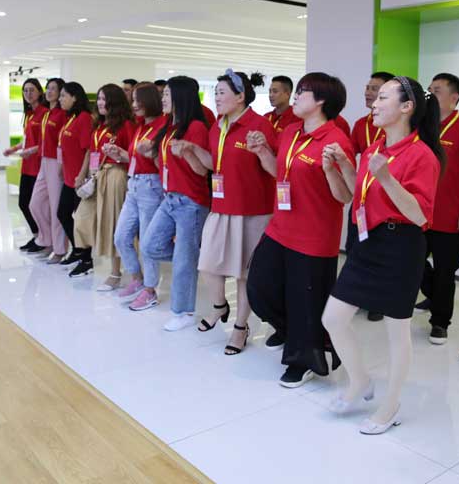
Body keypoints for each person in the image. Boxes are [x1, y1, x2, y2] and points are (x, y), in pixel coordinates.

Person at [323, 76, 444, 435]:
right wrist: (345, 166)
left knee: (397, 330)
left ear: (406, 107)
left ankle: (390, 406)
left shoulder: (422, 155)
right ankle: (360, 380)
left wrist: (388, 178)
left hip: (400, 246)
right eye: (375, 97)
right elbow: (356, 194)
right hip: (367, 242)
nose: (373, 104)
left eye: (383, 98)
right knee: (333, 318)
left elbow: (420, 215)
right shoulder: (376, 147)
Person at [246, 72, 354, 387]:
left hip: (314, 236)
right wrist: (262, 151)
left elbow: (346, 196)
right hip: (280, 227)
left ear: (321, 101)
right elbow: (279, 172)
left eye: (303, 91)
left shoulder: (336, 140)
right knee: (259, 288)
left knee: (304, 300)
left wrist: (330, 170)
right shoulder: (292, 131)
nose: (295, 95)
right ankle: (298, 333)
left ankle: (303, 358)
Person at [183, 70, 277, 354]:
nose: (217, 97)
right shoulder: (217, 126)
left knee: (244, 274)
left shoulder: (259, 125)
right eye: (216, 93)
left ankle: (240, 327)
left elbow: (274, 168)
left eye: (222, 92)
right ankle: (219, 305)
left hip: (252, 211)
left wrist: (262, 149)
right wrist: (192, 150)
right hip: (222, 207)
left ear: (240, 96)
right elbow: (215, 163)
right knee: (207, 263)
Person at [133, 76, 210, 331]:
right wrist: (150, 152)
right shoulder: (169, 126)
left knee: (184, 261)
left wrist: (188, 151)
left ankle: (183, 312)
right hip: (170, 198)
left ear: (180, 97)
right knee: (149, 245)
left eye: (166, 94)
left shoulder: (196, 127)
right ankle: (189, 259)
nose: (162, 99)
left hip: (191, 202)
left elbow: (202, 171)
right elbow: (162, 164)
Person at [414, 73, 459, 344]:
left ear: (454, 98)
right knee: (414, 263)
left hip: (451, 215)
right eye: (429, 89)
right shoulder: (420, 126)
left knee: (445, 272)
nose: (429, 94)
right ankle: (434, 296)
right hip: (419, 213)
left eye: (437, 90)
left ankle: (440, 322)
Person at [70, 84, 135, 280]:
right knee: (82, 218)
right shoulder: (99, 126)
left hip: (115, 175)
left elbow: (133, 157)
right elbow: (92, 152)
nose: (100, 102)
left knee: (112, 223)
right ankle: (90, 257)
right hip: (97, 175)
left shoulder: (125, 125)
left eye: (104, 99)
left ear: (114, 102)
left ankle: (115, 272)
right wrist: (83, 174)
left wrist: (120, 158)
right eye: (98, 98)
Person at [112, 84, 167, 304]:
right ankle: (137, 278)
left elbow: (162, 163)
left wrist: (151, 153)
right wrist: (120, 154)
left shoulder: (162, 126)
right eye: (133, 100)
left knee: (146, 242)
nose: (133, 105)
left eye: (137, 100)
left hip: (151, 187)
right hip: (134, 184)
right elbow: (136, 158)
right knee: (121, 236)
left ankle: (150, 289)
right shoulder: (141, 126)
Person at [346, 71, 394, 322]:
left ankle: (378, 300)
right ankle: (357, 295)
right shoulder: (360, 125)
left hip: (385, 199)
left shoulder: (397, 126)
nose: (368, 92)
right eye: (367, 87)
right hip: (361, 199)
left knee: (380, 251)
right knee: (355, 247)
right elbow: (350, 154)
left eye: (375, 89)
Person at [3, 79, 48, 251]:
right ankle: (37, 236)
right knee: (23, 203)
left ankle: (44, 237)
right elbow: (27, 139)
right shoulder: (29, 114)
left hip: (39, 165)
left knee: (37, 205)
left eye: (32, 90)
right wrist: (14, 148)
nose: (28, 94)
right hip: (27, 165)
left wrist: (31, 150)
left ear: (39, 92)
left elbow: (45, 142)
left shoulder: (44, 113)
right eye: (25, 90)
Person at [28, 78, 68, 263]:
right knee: (35, 204)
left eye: (54, 89)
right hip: (44, 162)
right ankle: (46, 240)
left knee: (55, 207)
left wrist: (61, 165)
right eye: (48, 88)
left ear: (60, 93)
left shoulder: (62, 114)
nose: (49, 91)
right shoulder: (47, 114)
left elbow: (63, 143)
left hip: (55, 163)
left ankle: (59, 249)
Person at [55, 82, 94, 269]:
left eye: (64, 95)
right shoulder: (70, 118)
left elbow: (88, 150)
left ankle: (86, 258)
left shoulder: (84, 118)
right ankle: (78, 249)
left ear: (75, 97)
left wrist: (81, 175)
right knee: (63, 213)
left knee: (81, 220)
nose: (60, 99)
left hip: (79, 178)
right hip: (69, 176)